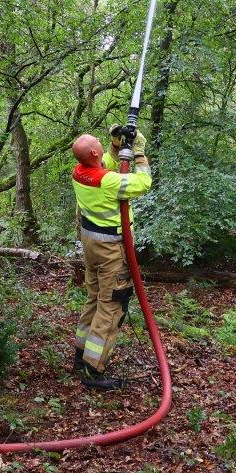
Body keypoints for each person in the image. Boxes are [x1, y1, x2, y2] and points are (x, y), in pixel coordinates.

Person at [69, 126, 152, 391]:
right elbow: (143, 183)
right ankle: (93, 370)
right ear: (94, 152)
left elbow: (107, 160)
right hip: (110, 251)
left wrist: (118, 143)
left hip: (90, 245)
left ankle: (80, 355)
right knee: (111, 304)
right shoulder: (108, 182)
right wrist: (138, 153)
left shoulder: (79, 172)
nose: (103, 147)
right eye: (100, 144)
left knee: (93, 298)